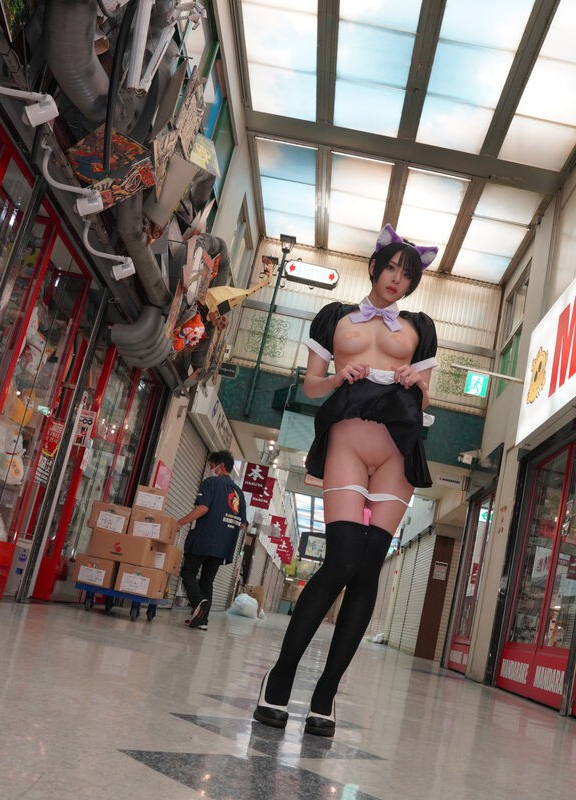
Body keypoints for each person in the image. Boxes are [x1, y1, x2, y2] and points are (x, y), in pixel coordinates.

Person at [253, 223, 437, 737]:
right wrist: (339, 376)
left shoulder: (421, 327)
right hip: (347, 443)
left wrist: (415, 381)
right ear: (375, 267)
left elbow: (428, 397)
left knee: (368, 568)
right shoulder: (334, 316)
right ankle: (279, 678)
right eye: (391, 268)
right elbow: (312, 386)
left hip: (397, 449)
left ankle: (326, 694)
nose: (396, 279)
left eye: (407, 274)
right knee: (341, 560)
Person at [175, 450, 247, 630]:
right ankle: (202, 620)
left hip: (204, 539)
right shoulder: (239, 493)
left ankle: (198, 602)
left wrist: (180, 522)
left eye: (212, 466)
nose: (211, 469)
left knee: (188, 572)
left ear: (221, 466)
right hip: (223, 546)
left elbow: (203, 508)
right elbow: (242, 525)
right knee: (207, 581)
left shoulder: (211, 483)